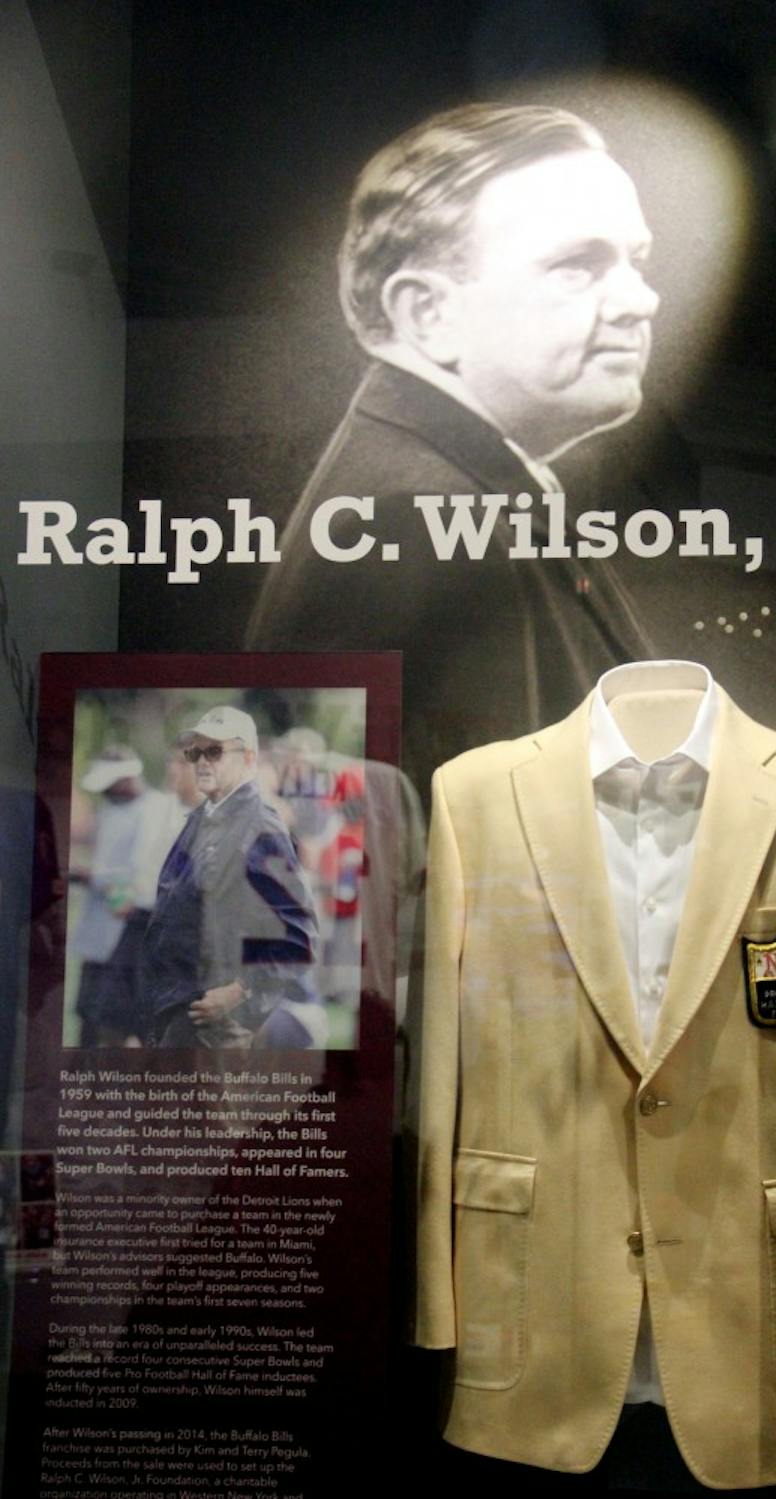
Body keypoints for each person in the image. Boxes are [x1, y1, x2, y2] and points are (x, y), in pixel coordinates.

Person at [247, 103, 669, 797]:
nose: (640, 301)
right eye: (577, 266)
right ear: (428, 314)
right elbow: (490, 872)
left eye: (637, 262)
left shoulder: (444, 498)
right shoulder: (419, 522)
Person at [142, 705, 321, 1048]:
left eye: (216, 750)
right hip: (180, 1010)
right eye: (196, 751)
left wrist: (239, 991)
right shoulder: (203, 816)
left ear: (249, 758)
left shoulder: (259, 827)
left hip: (216, 1023)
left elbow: (298, 937)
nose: (202, 761)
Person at [69, 746, 180, 1045]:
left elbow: (140, 878)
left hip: (128, 933)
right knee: (88, 1016)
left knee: (117, 1021)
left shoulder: (156, 810)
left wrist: (91, 877)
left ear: (126, 779)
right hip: (100, 932)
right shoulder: (110, 810)